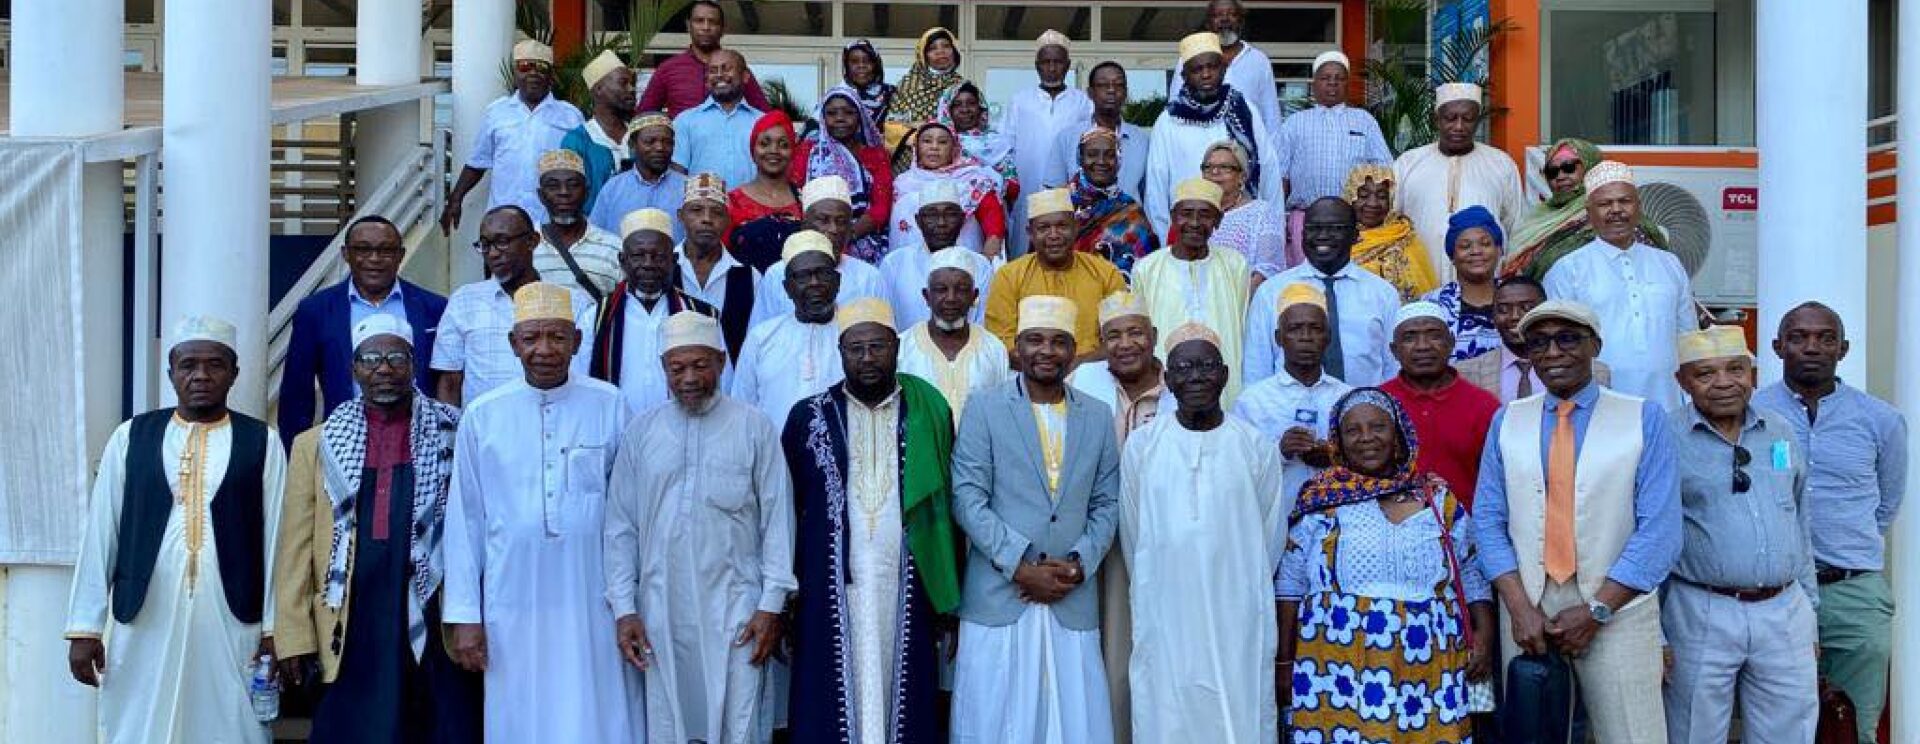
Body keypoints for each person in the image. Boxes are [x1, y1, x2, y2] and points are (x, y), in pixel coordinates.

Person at [65, 317, 286, 744]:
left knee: (233, 724)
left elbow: (276, 537)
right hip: (142, 613)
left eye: (214, 365)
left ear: (234, 373)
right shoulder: (131, 437)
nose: (200, 375)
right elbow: (100, 534)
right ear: (171, 373)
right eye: (188, 365)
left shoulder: (262, 441)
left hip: (233, 615)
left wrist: (277, 629)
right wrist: (84, 628)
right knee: (137, 724)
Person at [1473, 299, 1681, 744]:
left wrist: (1597, 609)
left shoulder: (1643, 417)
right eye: (1539, 343)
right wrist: (1519, 606)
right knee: (1536, 735)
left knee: (1633, 735)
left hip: (1617, 606)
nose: (1552, 353)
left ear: (1595, 346)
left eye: (1567, 339)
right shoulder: (1507, 420)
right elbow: (1488, 519)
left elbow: (1660, 531)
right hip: (1528, 610)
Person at [441, 282, 640, 742]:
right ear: (514, 344)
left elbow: (630, 513)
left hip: (594, 591)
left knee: (598, 707)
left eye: (556, 337)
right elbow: (465, 522)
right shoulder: (483, 414)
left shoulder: (609, 404)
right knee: (520, 709)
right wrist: (465, 615)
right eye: (531, 338)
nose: (544, 350)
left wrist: (631, 601)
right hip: (511, 595)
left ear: (576, 340)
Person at [274, 315, 480, 743]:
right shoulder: (316, 444)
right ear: (353, 368)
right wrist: (293, 635)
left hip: (432, 607)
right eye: (370, 358)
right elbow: (294, 546)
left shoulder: (454, 431)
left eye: (395, 357)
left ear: (413, 363)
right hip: (348, 617)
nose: (383, 368)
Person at [604, 310, 795, 744]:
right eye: (677, 367)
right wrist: (624, 608)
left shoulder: (754, 427)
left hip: (737, 608)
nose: (689, 377)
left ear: (722, 362)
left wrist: (770, 607)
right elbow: (620, 528)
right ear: (664, 370)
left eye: (700, 365)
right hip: (660, 608)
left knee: (739, 723)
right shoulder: (642, 432)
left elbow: (777, 521)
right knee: (669, 723)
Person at [782, 297, 962, 744]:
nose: (866, 358)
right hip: (828, 587)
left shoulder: (928, 410)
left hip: (909, 582)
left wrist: (949, 598)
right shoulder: (807, 417)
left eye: (877, 346)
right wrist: (786, 597)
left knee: (908, 696)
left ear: (895, 347)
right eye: (855, 348)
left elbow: (947, 504)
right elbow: (787, 509)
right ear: (840, 351)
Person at [950, 295, 1119, 744]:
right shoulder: (984, 408)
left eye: (1059, 341)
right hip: (1002, 593)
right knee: (995, 720)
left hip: (1070, 593)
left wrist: (1079, 565)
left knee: (1073, 719)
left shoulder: (1098, 416)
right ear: (1018, 348)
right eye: (1035, 340)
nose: (1047, 351)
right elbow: (967, 497)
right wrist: (1021, 565)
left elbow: (1107, 502)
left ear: (1073, 349)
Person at [1281, 387, 1495, 742]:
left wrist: (1484, 635)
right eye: (1353, 430)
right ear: (1338, 440)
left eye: (1378, 427)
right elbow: (1288, 589)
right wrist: (1284, 663)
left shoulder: (1437, 498)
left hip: (1429, 661)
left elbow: (1471, 572)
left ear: (1397, 436)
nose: (1367, 438)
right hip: (1337, 663)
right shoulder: (1318, 502)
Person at [1120, 322, 1283, 742]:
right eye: (1184, 367)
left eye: (1207, 366)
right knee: (1165, 707)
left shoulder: (1253, 445)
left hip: (1238, 608)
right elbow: (1133, 531)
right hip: (1165, 604)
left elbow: (1270, 534)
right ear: (1168, 378)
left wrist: (1234, 578)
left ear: (1225, 375)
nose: (1195, 376)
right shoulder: (1143, 445)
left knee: (1240, 702)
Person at [1755, 301, 1908, 744]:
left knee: (1851, 723)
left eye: (1825, 338)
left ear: (1843, 348)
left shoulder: (1880, 419)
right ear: (1777, 346)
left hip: (1853, 593)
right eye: (1799, 337)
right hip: (1777, 594)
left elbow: (1887, 501)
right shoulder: (1753, 413)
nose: (1812, 347)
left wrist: (1846, 546)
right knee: (1779, 724)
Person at [1664, 324, 1818, 744]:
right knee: (1695, 729)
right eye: (1705, 373)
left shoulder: (1780, 431)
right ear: (1682, 381)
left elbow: (1799, 520)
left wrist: (1811, 613)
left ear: (1752, 373)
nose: (1724, 383)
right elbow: (1648, 534)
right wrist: (1657, 635)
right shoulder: (1664, 438)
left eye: (1735, 369)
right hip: (1700, 607)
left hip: (1785, 607)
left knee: (1790, 731)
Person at [1062, 291, 1164, 743]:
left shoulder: (1181, 382)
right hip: (1091, 536)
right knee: (1103, 651)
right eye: (1114, 335)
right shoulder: (1084, 381)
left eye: (1135, 332)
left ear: (1153, 337)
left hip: (1161, 540)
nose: (1125, 344)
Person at [1543, 161, 1698, 411]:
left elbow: (1689, 337)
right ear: (1588, 211)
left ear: (1639, 207)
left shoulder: (1669, 264)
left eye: (1624, 201)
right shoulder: (1567, 269)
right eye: (1605, 204)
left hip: (1669, 404)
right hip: (1597, 407)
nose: (1616, 210)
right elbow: (1562, 346)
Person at [278, 216, 446, 446]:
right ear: (346, 254)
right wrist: (296, 456)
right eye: (363, 250)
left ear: (400, 255)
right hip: (344, 441)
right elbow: (297, 394)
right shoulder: (315, 310)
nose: (374, 259)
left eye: (385, 250)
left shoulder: (434, 308)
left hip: (420, 442)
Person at [432, 205, 594, 406]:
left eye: (502, 242)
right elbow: (449, 381)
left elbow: (583, 374)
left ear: (532, 241)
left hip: (556, 426)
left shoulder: (572, 302)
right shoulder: (464, 301)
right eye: (485, 245)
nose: (492, 253)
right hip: (485, 432)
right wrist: (451, 433)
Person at [1249, 197, 1400, 388]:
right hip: (1287, 413)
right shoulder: (1271, 292)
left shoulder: (1383, 294)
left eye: (1335, 228)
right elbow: (1256, 368)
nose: (1322, 236)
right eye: (1313, 228)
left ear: (1355, 236)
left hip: (1364, 412)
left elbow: (1393, 367)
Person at [1231, 282, 1351, 520]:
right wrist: (1281, 451)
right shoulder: (1253, 401)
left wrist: (1335, 456)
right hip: (1278, 524)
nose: (1305, 337)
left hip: (1340, 525)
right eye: (1295, 329)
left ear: (1327, 337)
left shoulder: (1347, 398)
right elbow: (1236, 471)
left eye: (1315, 328)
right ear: (1279, 338)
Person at [1146, 31, 1280, 239]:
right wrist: (1168, 247)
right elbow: (1156, 190)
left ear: (1224, 69)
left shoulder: (1245, 111)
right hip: (1187, 236)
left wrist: (1272, 231)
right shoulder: (1168, 121)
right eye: (1197, 69)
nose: (1206, 74)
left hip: (1242, 233)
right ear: (1184, 76)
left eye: (1212, 67)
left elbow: (1269, 173)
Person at [588, 208, 720, 417]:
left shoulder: (702, 316)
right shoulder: (595, 318)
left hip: (686, 430)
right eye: (639, 256)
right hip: (617, 434)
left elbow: (720, 385)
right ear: (622, 260)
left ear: (673, 260)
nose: (648, 264)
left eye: (658, 256)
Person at [440, 40, 584, 232]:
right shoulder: (496, 112)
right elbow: (478, 162)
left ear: (551, 76)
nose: (533, 73)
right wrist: (455, 198)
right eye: (525, 66)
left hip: (551, 222)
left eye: (541, 67)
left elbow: (583, 171)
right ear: (515, 74)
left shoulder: (571, 116)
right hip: (504, 222)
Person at [1392, 82, 1529, 282]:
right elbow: (1391, 223)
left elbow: (1517, 227)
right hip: (1419, 282)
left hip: (1485, 286)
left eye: (1468, 119)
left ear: (1478, 121)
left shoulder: (1501, 164)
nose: (1459, 126)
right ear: (1436, 120)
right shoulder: (1408, 163)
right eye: (1450, 118)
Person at [1132, 178, 1252, 404]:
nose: (1195, 222)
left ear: (1218, 220)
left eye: (1205, 215)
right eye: (1186, 213)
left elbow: (1242, 326)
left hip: (1224, 385)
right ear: (1173, 217)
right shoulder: (1146, 269)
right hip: (1166, 383)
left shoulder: (1236, 265)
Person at [1380, 301, 1501, 506]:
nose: (1423, 346)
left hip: (1466, 532)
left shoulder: (1484, 405)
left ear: (1451, 342)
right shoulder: (1377, 404)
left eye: (1434, 335)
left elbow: (1496, 482)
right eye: (1410, 338)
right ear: (1394, 350)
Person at [985, 188, 1128, 359]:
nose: (1054, 235)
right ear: (1030, 233)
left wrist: (1078, 366)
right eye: (1044, 228)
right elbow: (1001, 343)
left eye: (1062, 226)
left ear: (1076, 228)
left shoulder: (1105, 273)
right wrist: (1047, 371)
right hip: (1029, 375)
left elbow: (1119, 335)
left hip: (1092, 376)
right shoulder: (1009, 276)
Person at [1502, 137, 1670, 281]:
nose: (1560, 177)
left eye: (1569, 168)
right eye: (1552, 172)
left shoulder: (1616, 217)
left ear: (1590, 167)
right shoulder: (1538, 216)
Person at [1275, 50, 1393, 256]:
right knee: (1306, 283)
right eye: (1325, 78)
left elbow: (1384, 172)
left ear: (1347, 84)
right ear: (1314, 83)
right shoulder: (1295, 123)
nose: (1332, 83)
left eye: (1339, 78)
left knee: (1350, 280)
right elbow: (1280, 177)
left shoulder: (1364, 120)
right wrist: (1277, 220)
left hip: (1354, 222)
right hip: (1305, 220)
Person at [733, 235, 846, 424]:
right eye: (802, 276)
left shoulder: (856, 334)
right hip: (775, 452)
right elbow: (742, 407)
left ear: (837, 281)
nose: (814, 283)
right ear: (787, 288)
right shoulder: (762, 338)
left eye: (823, 273)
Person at [1003, 30, 1094, 258]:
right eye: (1046, 62)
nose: (1052, 68)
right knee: (1023, 251)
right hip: (1026, 190)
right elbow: (1005, 147)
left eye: (1058, 62)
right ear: (1037, 65)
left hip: (1069, 192)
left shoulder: (1083, 103)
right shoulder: (1019, 101)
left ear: (1068, 65)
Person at [896, 247, 1010, 418]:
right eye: (941, 289)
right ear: (927, 297)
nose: (951, 298)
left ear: (974, 297)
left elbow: (1002, 412)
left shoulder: (993, 349)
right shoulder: (902, 348)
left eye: (961, 290)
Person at [754, 179, 889, 317]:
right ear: (805, 225)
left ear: (849, 228)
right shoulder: (777, 274)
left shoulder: (869, 278)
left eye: (841, 222)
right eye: (823, 220)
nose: (833, 229)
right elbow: (762, 334)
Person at [791, 85, 895, 263]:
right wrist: (819, 236)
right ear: (823, 118)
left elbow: (881, 206)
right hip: (813, 241)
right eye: (832, 113)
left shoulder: (875, 155)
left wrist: (848, 234)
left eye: (848, 112)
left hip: (864, 242)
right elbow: (795, 194)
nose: (840, 118)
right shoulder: (807, 151)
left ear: (860, 117)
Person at [879, 181, 999, 331]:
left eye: (949, 215)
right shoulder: (894, 264)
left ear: (962, 219)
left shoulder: (980, 266)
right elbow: (885, 323)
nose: (941, 223)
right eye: (932, 215)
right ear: (918, 221)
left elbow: (983, 325)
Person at [1167, 0, 1282, 144]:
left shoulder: (1259, 60)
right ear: (1209, 24)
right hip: (1198, 146)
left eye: (1232, 14)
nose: (1225, 19)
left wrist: (1272, 155)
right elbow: (1175, 104)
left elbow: (1271, 114)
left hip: (1247, 149)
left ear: (1241, 22)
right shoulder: (1190, 59)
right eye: (1218, 15)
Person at [890, 121, 1010, 258]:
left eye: (942, 142)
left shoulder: (974, 180)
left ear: (954, 148)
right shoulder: (903, 183)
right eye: (927, 141)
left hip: (962, 261)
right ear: (916, 147)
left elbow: (992, 218)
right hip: (911, 264)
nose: (934, 147)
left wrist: (990, 250)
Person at [1423, 205, 1509, 391]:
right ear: (1452, 256)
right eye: (1465, 246)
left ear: (1499, 250)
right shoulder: (1432, 305)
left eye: (1485, 243)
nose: (1476, 251)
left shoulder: (1518, 298)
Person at [636, 0, 771, 117]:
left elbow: (764, 115)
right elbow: (644, 115)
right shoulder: (668, 69)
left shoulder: (736, 69)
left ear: (722, 29)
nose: (706, 27)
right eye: (699, 21)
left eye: (712, 22)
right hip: (684, 144)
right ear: (688, 26)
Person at [672, 179, 758, 362]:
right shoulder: (664, 270)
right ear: (681, 216)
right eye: (696, 210)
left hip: (730, 387)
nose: (707, 219)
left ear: (728, 220)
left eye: (717, 212)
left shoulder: (749, 277)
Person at [1489, 275, 1611, 401]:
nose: (1514, 316)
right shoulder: (1471, 372)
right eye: (1503, 309)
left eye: (1527, 308)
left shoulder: (1597, 371)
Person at [1044, 62, 1151, 200]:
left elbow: (1148, 194)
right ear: (1090, 93)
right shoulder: (1067, 137)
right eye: (1103, 85)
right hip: (1079, 220)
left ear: (1125, 92)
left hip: (1128, 220)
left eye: (1118, 85)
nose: (1111, 90)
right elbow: (1053, 192)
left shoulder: (1141, 140)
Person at [531, 149, 623, 302]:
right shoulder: (524, 246)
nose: (564, 192)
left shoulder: (614, 247)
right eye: (553, 186)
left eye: (573, 185)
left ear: (586, 192)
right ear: (541, 195)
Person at [1064, 128, 1159, 275]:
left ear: (1118, 161)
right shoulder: (1060, 205)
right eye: (1092, 154)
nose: (1101, 161)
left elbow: (1148, 270)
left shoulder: (1131, 211)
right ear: (1080, 159)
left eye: (1109, 155)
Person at [671, 48, 765, 191]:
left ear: (745, 76)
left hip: (753, 210)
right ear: (706, 80)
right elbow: (677, 174)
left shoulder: (762, 121)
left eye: (726, 68)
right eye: (713, 70)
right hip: (703, 210)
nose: (720, 75)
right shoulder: (685, 121)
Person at [1344, 163, 1438, 301]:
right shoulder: (1340, 239)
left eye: (1381, 196)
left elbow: (1425, 289)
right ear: (1350, 197)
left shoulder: (1404, 235)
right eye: (1364, 195)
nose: (1373, 203)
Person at [589, 112, 688, 241]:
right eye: (650, 142)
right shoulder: (613, 188)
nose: (659, 147)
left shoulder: (687, 189)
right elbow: (596, 235)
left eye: (667, 142)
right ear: (632, 145)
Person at [726, 110, 805, 270]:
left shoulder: (806, 200)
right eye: (764, 143)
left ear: (793, 152)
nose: (774, 150)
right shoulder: (731, 201)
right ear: (753, 151)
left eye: (783, 144)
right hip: (746, 290)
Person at [1201, 140, 1292, 277]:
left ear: (1242, 177)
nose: (1214, 172)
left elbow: (1267, 269)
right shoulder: (1194, 213)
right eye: (1208, 167)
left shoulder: (1260, 213)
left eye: (1225, 167)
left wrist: (1239, 297)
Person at [559, 49, 636, 208]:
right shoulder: (577, 141)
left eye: (632, 83)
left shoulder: (639, 137)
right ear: (599, 89)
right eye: (623, 83)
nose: (631, 89)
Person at [938, 83, 1021, 218]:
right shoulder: (937, 143)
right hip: (945, 218)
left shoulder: (997, 142)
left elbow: (1013, 188)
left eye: (971, 103)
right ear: (947, 110)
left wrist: (985, 178)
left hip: (991, 220)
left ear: (980, 108)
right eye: (957, 104)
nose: (965, 109)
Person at [889, 27, 967, 127]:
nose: (940, 51)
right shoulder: (907, 86)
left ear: (955, 51)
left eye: (946, 46)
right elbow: (892, 125)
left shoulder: (963, 86)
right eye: (933, 48)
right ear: (923, 55)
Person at [842, 39, 897, 136]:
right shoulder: (836, 96)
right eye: (854, 61)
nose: (861, 66)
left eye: (868, 61)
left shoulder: (892, 93)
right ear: (846, 66)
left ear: (876, 65)